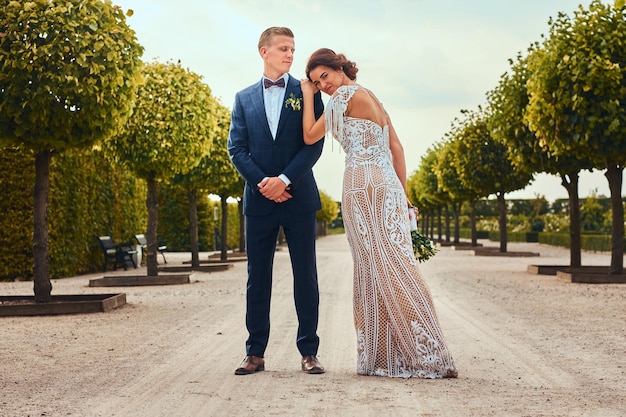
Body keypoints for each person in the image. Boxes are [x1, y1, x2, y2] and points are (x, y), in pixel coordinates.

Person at [301, 48, 458, 378]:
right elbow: (396, 148)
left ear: (340, 69)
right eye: (315, 83)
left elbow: (310, 134)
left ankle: (397, 353)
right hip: (386, 183)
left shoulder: (343, 95)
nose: (322, 85)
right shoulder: (373, 97)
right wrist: (403, 194)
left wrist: (305, 97)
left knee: (374, 265)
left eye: (324, 77)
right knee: (396, 260)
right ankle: (422, 351)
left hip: (360, 183)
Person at [227, 27, 326, 375]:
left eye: (292, 49)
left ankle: (309, 352)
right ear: (263, 51)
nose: (290, 55)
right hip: (259, 201)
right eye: (283, 48)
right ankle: (255, 353)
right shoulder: (242, 98)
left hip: (298, 198)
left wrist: (284, 180)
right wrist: (262, 183)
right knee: (258, 278)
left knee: (306, 277)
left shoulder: (308, 91)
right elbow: (235, 149)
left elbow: (314, 144)